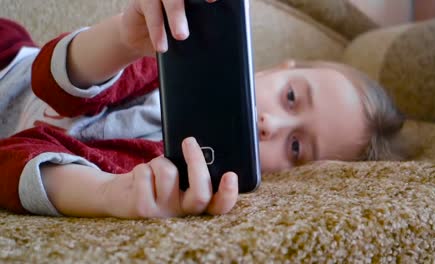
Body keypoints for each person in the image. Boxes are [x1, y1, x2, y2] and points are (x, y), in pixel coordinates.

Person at [0, 0, 406, 219]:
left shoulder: (176, 179)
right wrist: (123, 40)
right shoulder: (177, 60)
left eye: (296, 147)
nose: (271, 124)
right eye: (291, 98)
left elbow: (12, 160)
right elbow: (47, 81)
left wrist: (107, 195)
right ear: (277, 69)